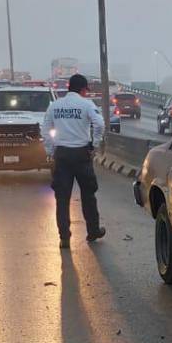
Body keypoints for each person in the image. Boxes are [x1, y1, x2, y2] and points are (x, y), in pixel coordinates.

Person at [42, 74, 106, 249]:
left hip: (61, 155)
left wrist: (50, 150)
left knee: (62, 198)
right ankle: (93, 231)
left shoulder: (55, 105)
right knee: (88, 195)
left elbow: (45, 129)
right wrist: (95, 144)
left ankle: (64, 237)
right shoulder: (86, 104)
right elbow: (100, 124)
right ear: (83, 89)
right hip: (81, 154)